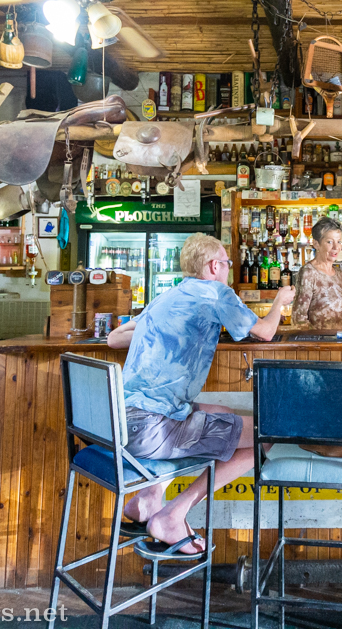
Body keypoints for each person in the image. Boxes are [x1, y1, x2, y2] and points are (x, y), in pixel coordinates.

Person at [106, 233, 295, 556]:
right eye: (227, 262)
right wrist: (280, 301)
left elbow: (114, 339)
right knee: (266, 434)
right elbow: (265, 332)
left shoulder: (168, 295)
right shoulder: (216, 293)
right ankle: (172, 516)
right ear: (213, 266)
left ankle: (148, 499)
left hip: (120, 425)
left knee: (222, 413)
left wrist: (162, 330)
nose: (228, 268)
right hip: (155, 429)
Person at [292, 217, 342, 330]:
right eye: (329, 242)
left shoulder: (338, 273)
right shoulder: (308, 272)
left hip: (339, 338)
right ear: (316, 244)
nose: (336, 247)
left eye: (339, 242)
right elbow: (298, 319)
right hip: (318, 340)